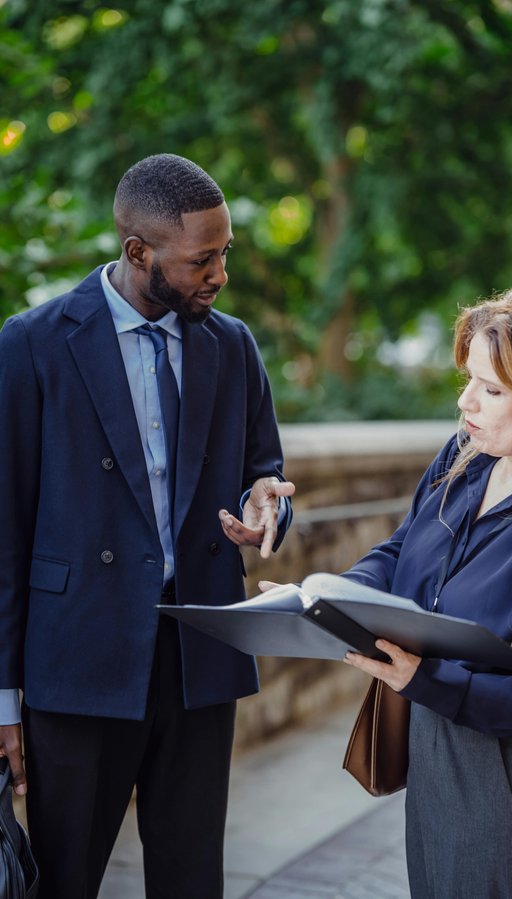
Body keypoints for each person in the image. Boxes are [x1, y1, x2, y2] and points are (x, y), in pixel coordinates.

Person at [0, 153, 294, 899]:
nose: (219, 272)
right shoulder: (31, 345)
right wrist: (3, 699)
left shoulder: (232, 345)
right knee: (65, 878)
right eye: (202, 258)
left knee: (193, 880)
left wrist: (270, 507)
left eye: (224, 252)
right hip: (78, 660)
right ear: (138, 251)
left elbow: (268, 471)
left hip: (200, 650)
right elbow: (3, 532)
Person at [337, 286, 512, 897]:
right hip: (431, 743)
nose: (465, 402)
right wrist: (333, 597)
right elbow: (401, 550)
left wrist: (425, 679)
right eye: (469, 380)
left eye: (491, 389)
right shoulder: (465, 456)